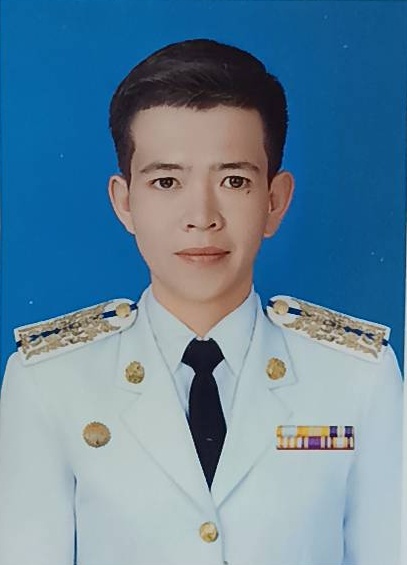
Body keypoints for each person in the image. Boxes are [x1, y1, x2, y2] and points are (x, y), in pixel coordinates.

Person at [0, 39, 402, 565]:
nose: (202, 216)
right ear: (125, 202)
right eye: (166, 181)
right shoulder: (51, 381)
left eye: (234, 180)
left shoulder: (357, 378)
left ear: (275, 201)